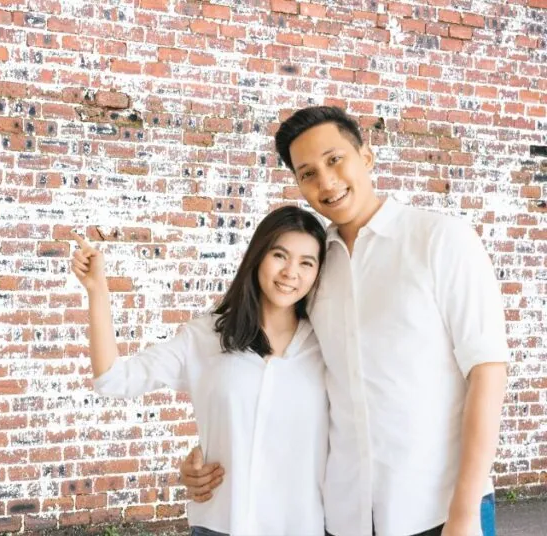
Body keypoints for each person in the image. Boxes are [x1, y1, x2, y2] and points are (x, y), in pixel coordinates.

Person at [180, 106, 509, 536]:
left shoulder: (440, 241)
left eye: (335, 160)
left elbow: (487, 372)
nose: (326, 182)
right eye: (308, 173)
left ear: (366, 157)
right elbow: (277, 368)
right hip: (346, 514)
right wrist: (211, 447)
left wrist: (465, 513)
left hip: (439, 507)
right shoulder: (312, 270)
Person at [72, 206, 330, 535]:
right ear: (258, 257)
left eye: (306, 262)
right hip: (221, 523)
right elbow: (113, 379)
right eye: (280, 255)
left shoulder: (326, 347)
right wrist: (97, 290)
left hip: (302, 525)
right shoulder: (205, 337)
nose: (291, 272)